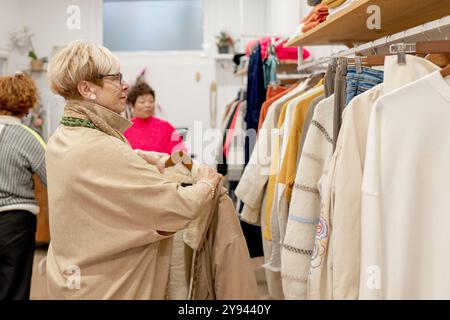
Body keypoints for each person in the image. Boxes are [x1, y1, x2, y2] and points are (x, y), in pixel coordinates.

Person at [45, 40, 222, 299]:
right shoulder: (105, 147)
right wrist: (207, 183)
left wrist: (137, 156)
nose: (124, 85)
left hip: (72, 279)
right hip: (112, 287)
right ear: (86, 88)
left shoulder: (61, 137)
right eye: (115, 78)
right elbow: (176, 207)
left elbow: (95, 174)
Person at [0, 72, 46, 300]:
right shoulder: (30, 137)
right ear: (27, 105)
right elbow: (54, 178)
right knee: (14, 287)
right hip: (16, 222)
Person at [123, 82, 186, 155]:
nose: (148, 105)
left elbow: (181, 153)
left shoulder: (166, 127)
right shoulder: (125, 129)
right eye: (142, 102)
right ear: (132, 104)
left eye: (151, 101)